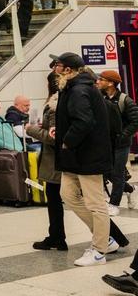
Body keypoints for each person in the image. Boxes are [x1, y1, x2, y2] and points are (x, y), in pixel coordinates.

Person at [51, 52, 122, 266]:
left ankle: (100, 249)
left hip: (87, 156)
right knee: (68, 195)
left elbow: (84, 121)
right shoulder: (72, 87)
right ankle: (105, 238)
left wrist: (68, 140)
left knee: (96, 203)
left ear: (68, 70)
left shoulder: (79, 89)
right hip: (75, 157)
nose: (55, 68)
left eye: (58, 65)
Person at [28, 72, 68, 251]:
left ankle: (57, 237)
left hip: (55, 161)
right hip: (59, 160)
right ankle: (56, 236)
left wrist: (31, 130)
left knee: (57, 201)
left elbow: (53, 138)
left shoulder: (54, 106)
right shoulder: (60, 102)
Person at [97, 70, 138, 215]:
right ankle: (130, 189)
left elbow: (135, 121)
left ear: (111, 83)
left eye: (101, 79)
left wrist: (123, 134)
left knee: (118, 173)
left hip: (121, 144)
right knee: (108, 173)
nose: (98, 82)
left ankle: (114, 204)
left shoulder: (124, 100)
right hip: (106, 144)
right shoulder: (100, 98)